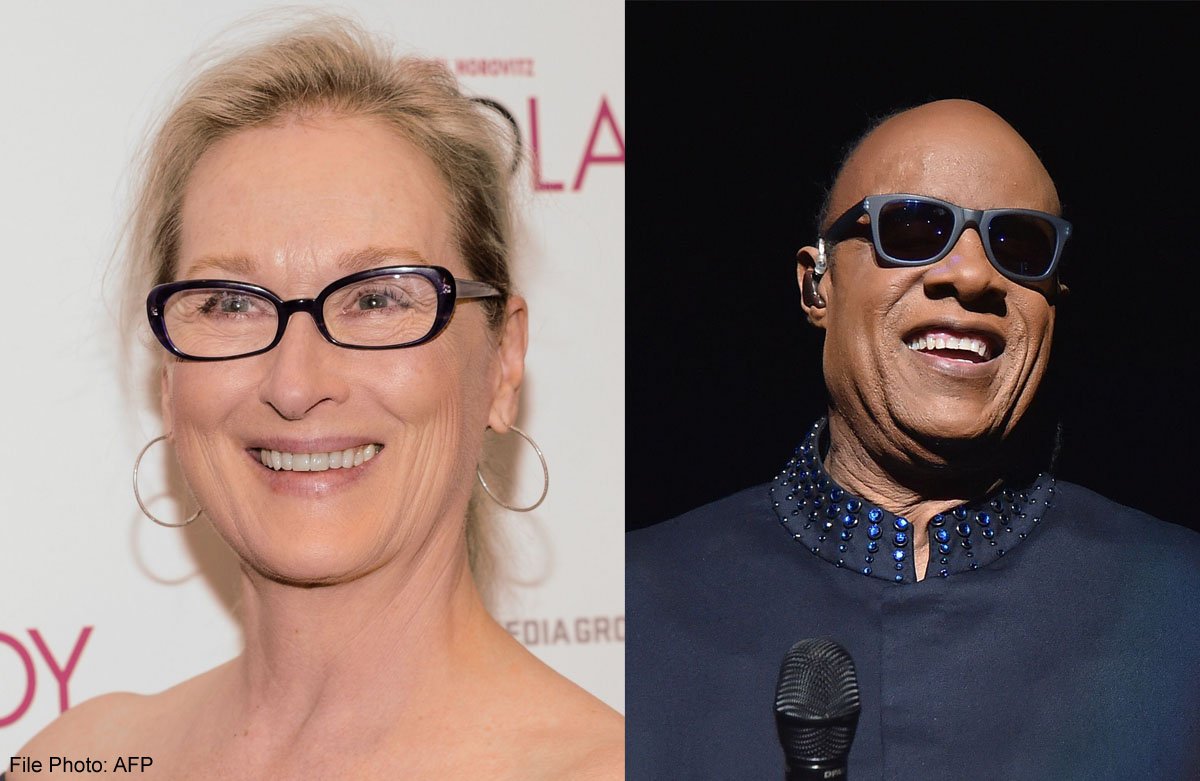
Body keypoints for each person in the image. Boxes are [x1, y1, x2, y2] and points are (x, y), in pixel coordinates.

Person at [11, 18, 622, 780]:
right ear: (169, 379)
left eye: (376, 298)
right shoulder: (77, 760)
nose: (295, 384)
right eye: (230, 302)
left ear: (503, 360)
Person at [627, 99, 1200, 779]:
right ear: (816, 286)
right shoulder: (636, 605)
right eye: (912, 227)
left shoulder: (1177, 603)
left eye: (1020, 244)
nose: (971, 275)